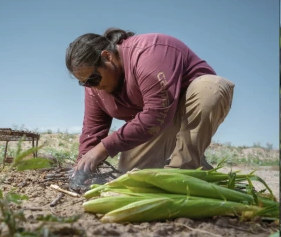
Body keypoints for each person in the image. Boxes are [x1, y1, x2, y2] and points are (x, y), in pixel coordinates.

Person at [65, 28, 234, 176]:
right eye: (84, 82)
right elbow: (92, 130)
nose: (91, 86)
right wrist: (82, 167)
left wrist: (103, 148)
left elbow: (156, 113)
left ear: (107, 57)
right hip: (157, 123)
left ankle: (184, 169)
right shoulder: (94, 88)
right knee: (131, 174)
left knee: (209, 88)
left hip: (184, 109)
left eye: (93, 78)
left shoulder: (147, 52)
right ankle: (198, 168)